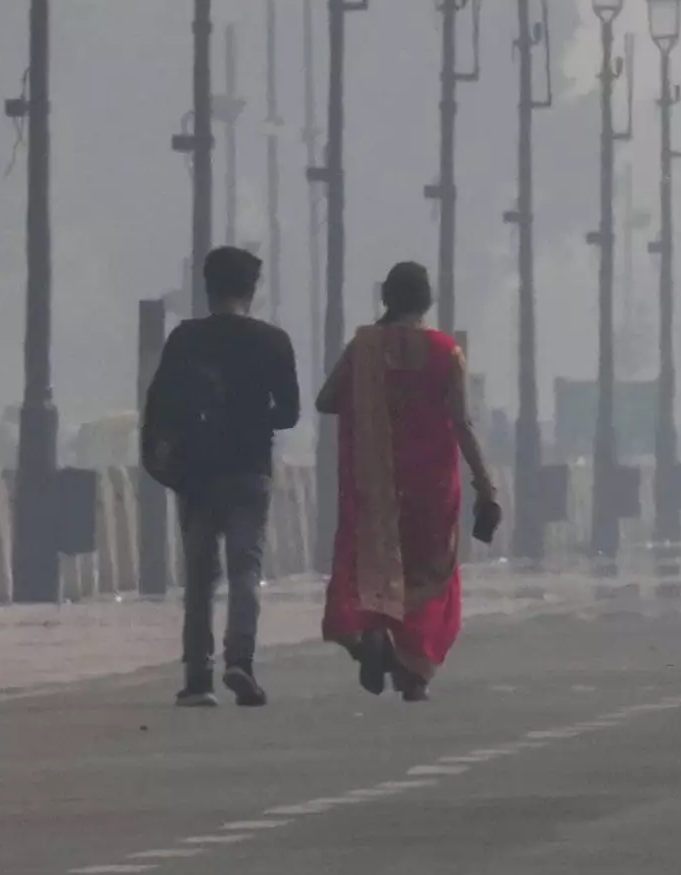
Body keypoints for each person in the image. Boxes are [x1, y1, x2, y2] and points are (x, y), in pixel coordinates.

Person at [317, 259, 500, 700]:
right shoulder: (445, 351)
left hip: (373, 486)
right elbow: (462, 424)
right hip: (431, 489)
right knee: (428, 578)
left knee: (366, 568)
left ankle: (366, 641)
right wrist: (486, 486)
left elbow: (326, 400)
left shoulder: (362, 347)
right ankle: (413, 672)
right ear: (426, 300)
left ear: (387, 299)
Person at [142, 242, 305, 707]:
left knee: (198, 576)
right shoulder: (273, 341)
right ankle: (241, 660)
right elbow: (290, 412)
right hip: (249, 469)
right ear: (251, 290)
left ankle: (197, 678)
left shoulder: (186, 339)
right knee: (245, 569)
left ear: (206, 289)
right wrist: (253, 417)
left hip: (196, 473)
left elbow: (161, 404)